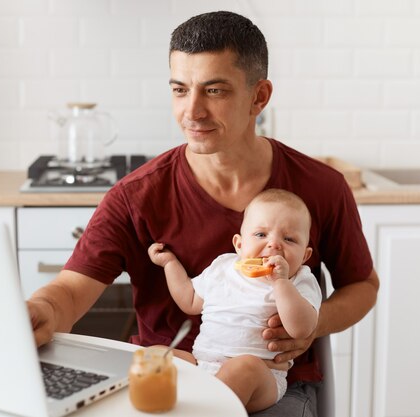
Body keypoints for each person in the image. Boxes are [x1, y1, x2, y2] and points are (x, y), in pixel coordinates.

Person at [28, 10, 379, 417]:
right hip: (170, 382)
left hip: (274, 389)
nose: (192, 112)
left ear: (259, 98)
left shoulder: (321, 186)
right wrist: (42, 308)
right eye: (180, 90)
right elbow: (71, 291)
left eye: (214, 91)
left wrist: (312, 323)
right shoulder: (135, 195)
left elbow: (362, 286)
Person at [148, 189, 322, 413]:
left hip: (262, 376)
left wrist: (280, 283)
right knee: (158, 355)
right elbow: (190, 300)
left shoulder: (299, 280)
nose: (274, 245)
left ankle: (205, 411)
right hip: (202, 365)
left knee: (243, 367)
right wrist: (169, 264)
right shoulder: (223, 267)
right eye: (261, 235)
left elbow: (301, 328)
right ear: (239, 245)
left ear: (305, 255)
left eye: (289, 239)